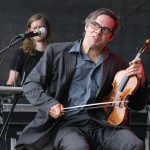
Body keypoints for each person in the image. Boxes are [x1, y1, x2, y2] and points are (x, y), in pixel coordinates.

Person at [15, 8, 149, 150]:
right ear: (86, 25)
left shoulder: (117, 63)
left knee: (135, 145)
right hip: (67, 124)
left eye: (105, 30)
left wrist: (142, 80)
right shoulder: (56, 52)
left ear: (111, 36)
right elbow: (31, 84)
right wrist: (50, 105)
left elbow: (137, 105)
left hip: (103, 124)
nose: (98, 32)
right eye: (95, 25)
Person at [6, 13, 53, 86]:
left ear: (47, 29)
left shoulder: (55, 53)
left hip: (49, 96)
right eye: (34, 28)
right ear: (29, 30)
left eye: (41, 27)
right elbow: (11, 81)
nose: (38, 30)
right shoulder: (21, 53)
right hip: (27, 95)